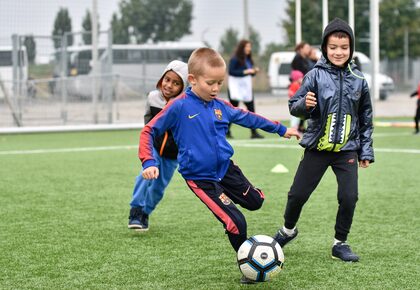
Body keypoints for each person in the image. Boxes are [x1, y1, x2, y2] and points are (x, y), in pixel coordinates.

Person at [139, 47, 300, 283]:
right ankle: (250, 266)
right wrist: (149, 161)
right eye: (210, 83)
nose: (216, 88)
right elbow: (149, 130)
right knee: (236, 223)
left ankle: (229, 199)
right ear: (192, 80)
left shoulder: (220, 106)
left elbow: (249, 118)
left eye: (220, 83)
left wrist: (281, 129)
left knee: (256, 202)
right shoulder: (179, 106)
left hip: (226, 169)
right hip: (201, 179)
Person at [273, 18, 374, 262]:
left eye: (344, 47)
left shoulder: (359, 79)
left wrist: (366, 151)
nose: (338, 52)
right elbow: (293, 106)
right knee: (297, 194)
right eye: (333, 47)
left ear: (350, 49)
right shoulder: (314, 76)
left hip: (347, 150)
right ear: (324, 48)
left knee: (349, 197)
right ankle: (288, 230)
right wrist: (304, 106)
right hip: (317, 148)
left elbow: (366, 117)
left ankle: (340, 243)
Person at [128, 60, 188, 231]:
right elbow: (148, 121)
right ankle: (135, 210)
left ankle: (145, 213)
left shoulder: (184, 105)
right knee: (144, 176)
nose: (169, 85)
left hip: (172, 155)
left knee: (158, 188)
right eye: (167, 79)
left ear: (183, 86)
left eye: (176, 83)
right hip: (154, 148)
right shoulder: (152, 97)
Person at [226, 39, 263, 139]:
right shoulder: (235, 59)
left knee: (251, 110)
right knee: (233, 112)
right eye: (247, 47)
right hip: (235, 89)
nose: (249, 49)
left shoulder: (248, 59)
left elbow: (249, 73)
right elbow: (231, 72)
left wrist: (254, 71)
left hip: (246, 89)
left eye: (250, 47)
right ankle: (226, 131)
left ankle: (254, 132)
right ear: (242, 48)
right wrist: (245, 71)